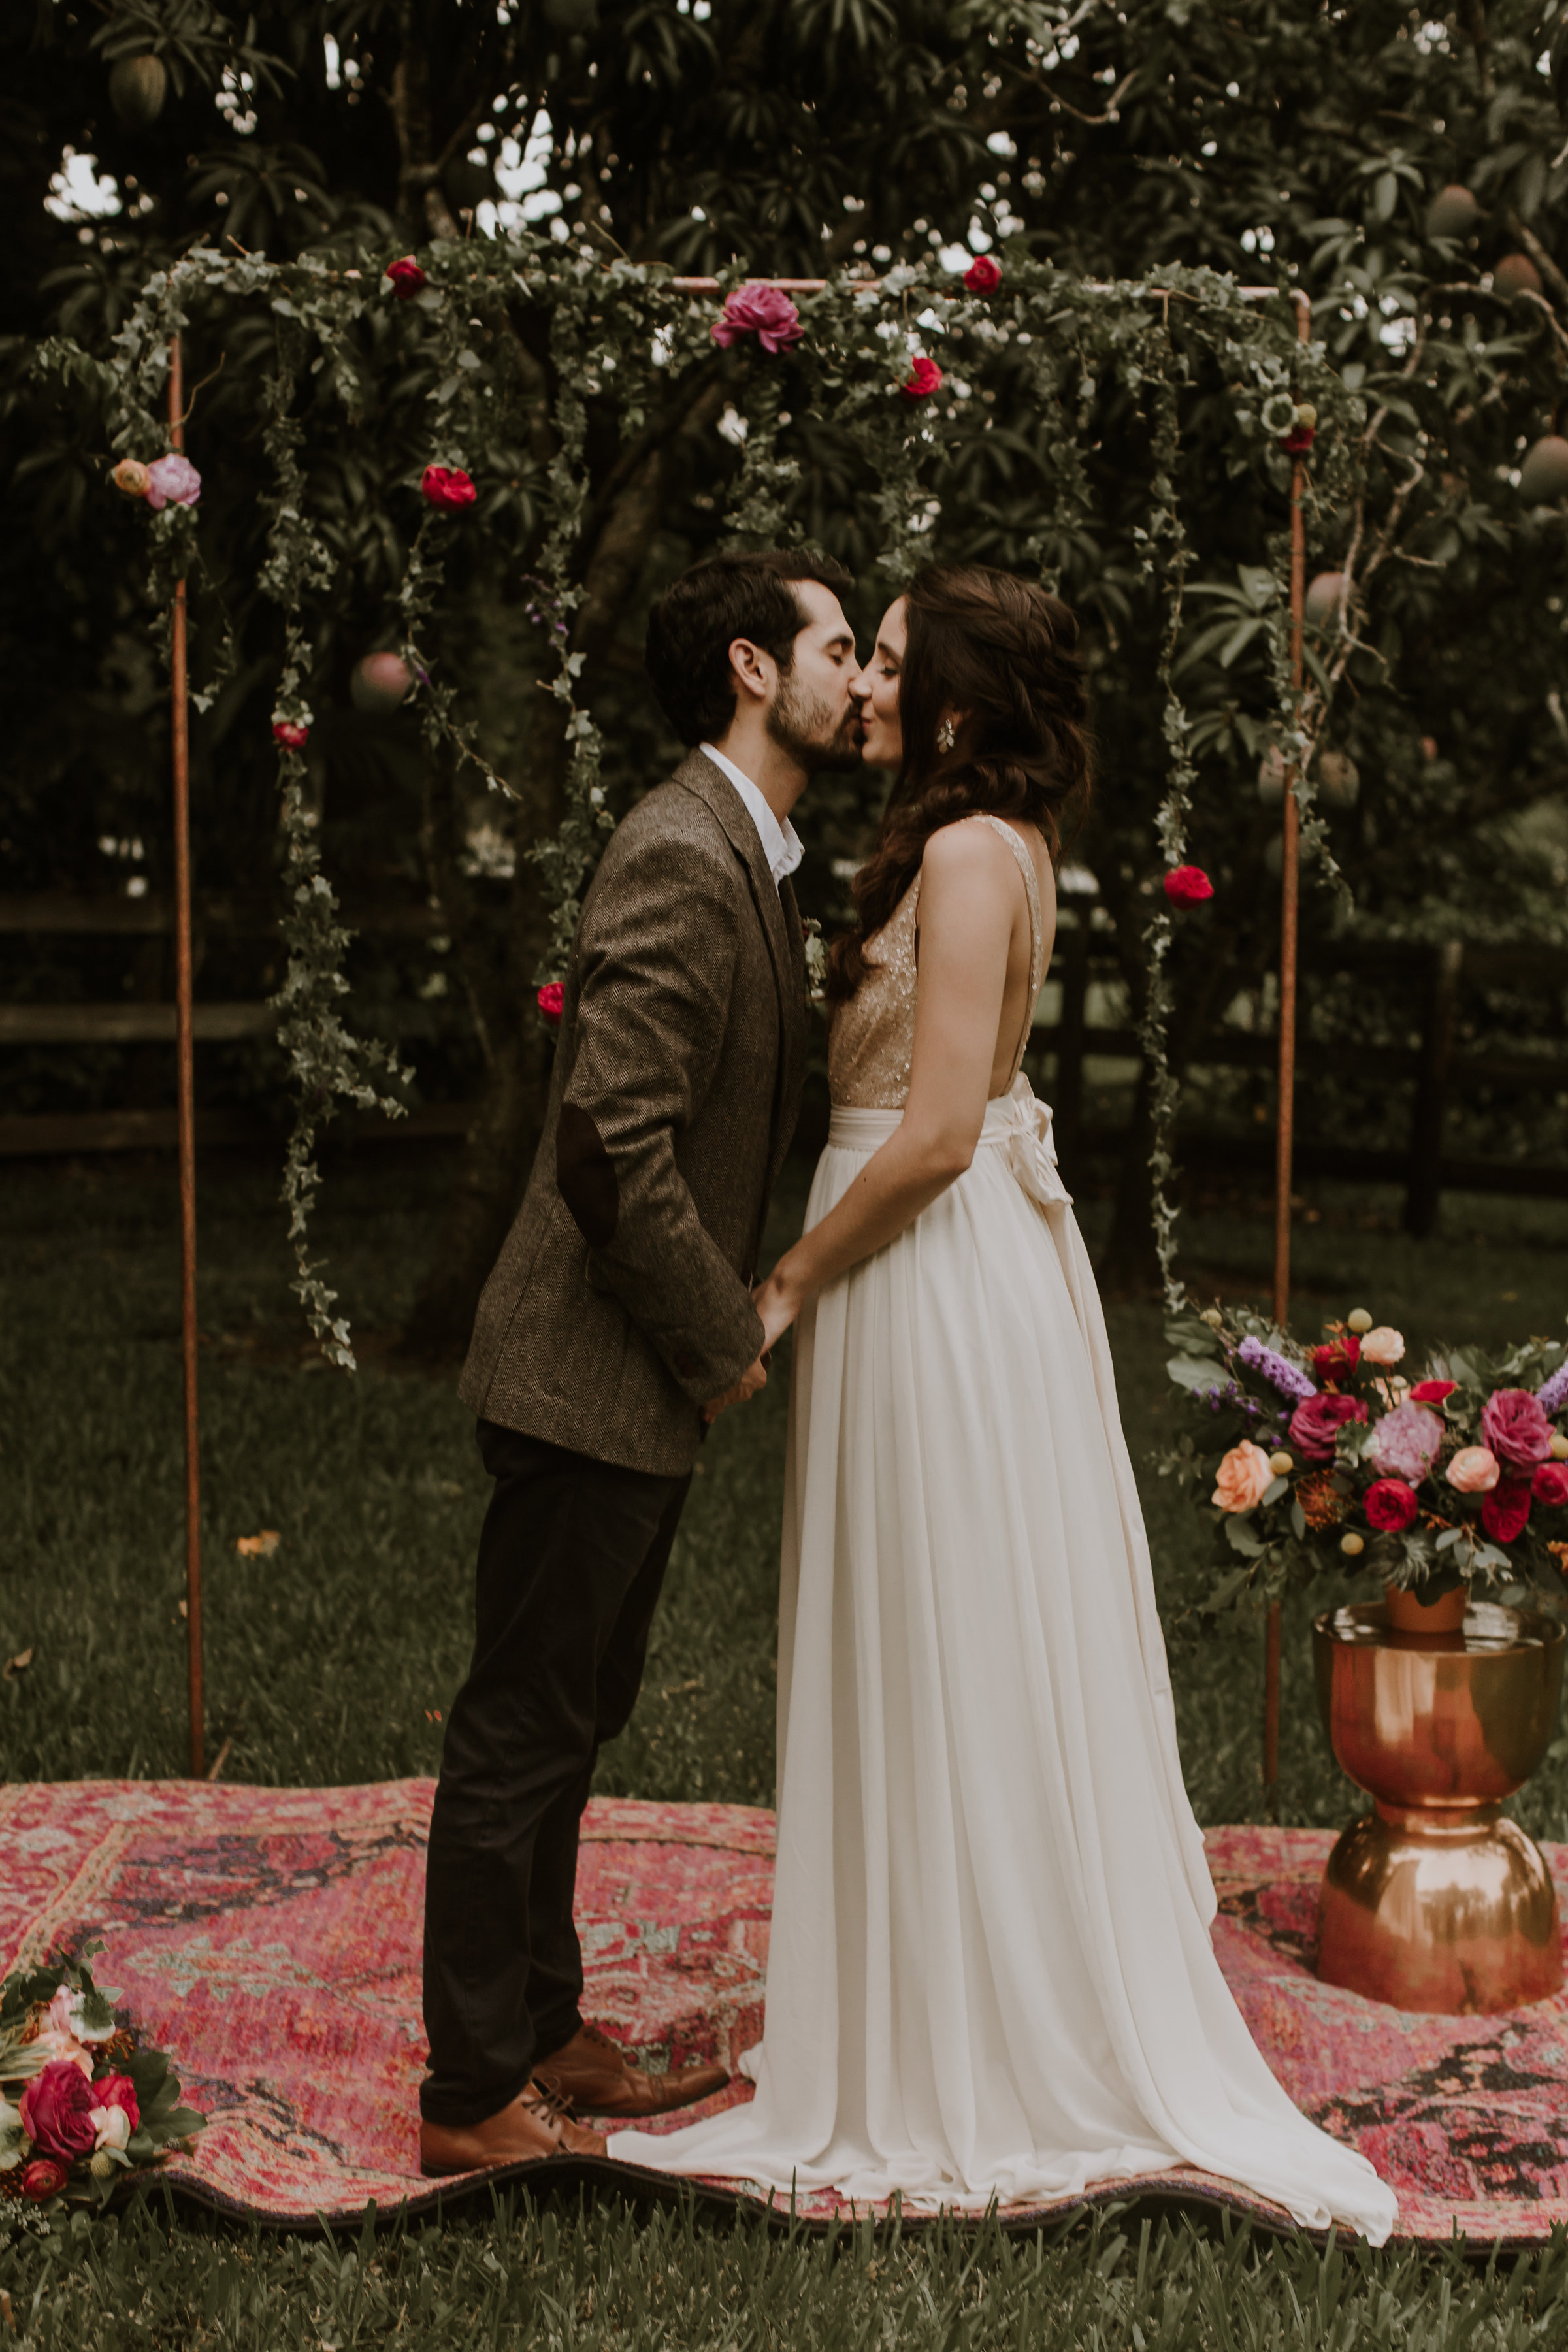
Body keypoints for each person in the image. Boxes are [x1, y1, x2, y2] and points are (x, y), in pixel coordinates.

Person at [610, 564, 1397, 2242]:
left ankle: (973, 2028)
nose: (868, 686)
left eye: (891, 663)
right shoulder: (960, 840)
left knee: (946, 1625)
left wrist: (786, 1280)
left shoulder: (972, 854)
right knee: (921, 1623)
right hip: (921, 1269)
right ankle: (913, 1981)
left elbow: (942, 1126)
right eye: (863, 656)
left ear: (957, 704)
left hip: (924, 1269)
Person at [418, 548, 863, 2177]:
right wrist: (722, 1331)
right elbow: (610, 1140)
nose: (859, 678)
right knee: (522, 1725)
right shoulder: (683, 847)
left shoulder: (753, 852)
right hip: (591, 1370)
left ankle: (543, 2025)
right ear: (753, 668)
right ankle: (472, 2094)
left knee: (574, 1713)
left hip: (628, 1386)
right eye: (836, 645)